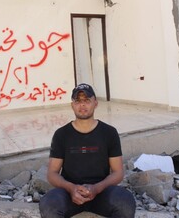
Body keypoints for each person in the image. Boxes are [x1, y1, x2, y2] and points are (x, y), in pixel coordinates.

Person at [39, 83, 136, 218]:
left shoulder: (109, 132)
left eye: (86, 100)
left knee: (125, 202)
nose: (82, 105)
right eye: (78, 101)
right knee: (49, 204)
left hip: (102, 192)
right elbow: (52, 174)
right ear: (72, 105)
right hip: (69, 194)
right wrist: (71, 188)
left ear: (95, 103)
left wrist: (96, 188)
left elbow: (118, 172)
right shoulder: (61, 134)